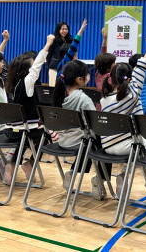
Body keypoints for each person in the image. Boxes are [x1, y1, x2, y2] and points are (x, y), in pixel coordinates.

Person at [100, 38, 146, 196]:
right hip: (125, 147)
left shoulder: (104, 100)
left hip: (107, 146)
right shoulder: (132, 96)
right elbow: (139, 74)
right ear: (128, 79)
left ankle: (124, 175)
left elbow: (136, 77)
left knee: (137, 143)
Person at [53, 59, 111, 199]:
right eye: (87, 74)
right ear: (79, 79)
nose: (89, 76)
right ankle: (100, 179)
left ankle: (73, 172)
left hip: (63, 140)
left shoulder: (59, 94)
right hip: (78, 142)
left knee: (89, 144)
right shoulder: (83, 99)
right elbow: (94, 124)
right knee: (106, 144)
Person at [2, 34, 56, 183]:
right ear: (27, 69)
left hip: (11, 131)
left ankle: (12, 164)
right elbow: (38, 64)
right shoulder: (27, 82)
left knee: (25, 137)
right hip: (25, 131)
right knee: (45, 136)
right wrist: (48, 44)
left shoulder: (11, 82)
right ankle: (30, 163)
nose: (35, 67)